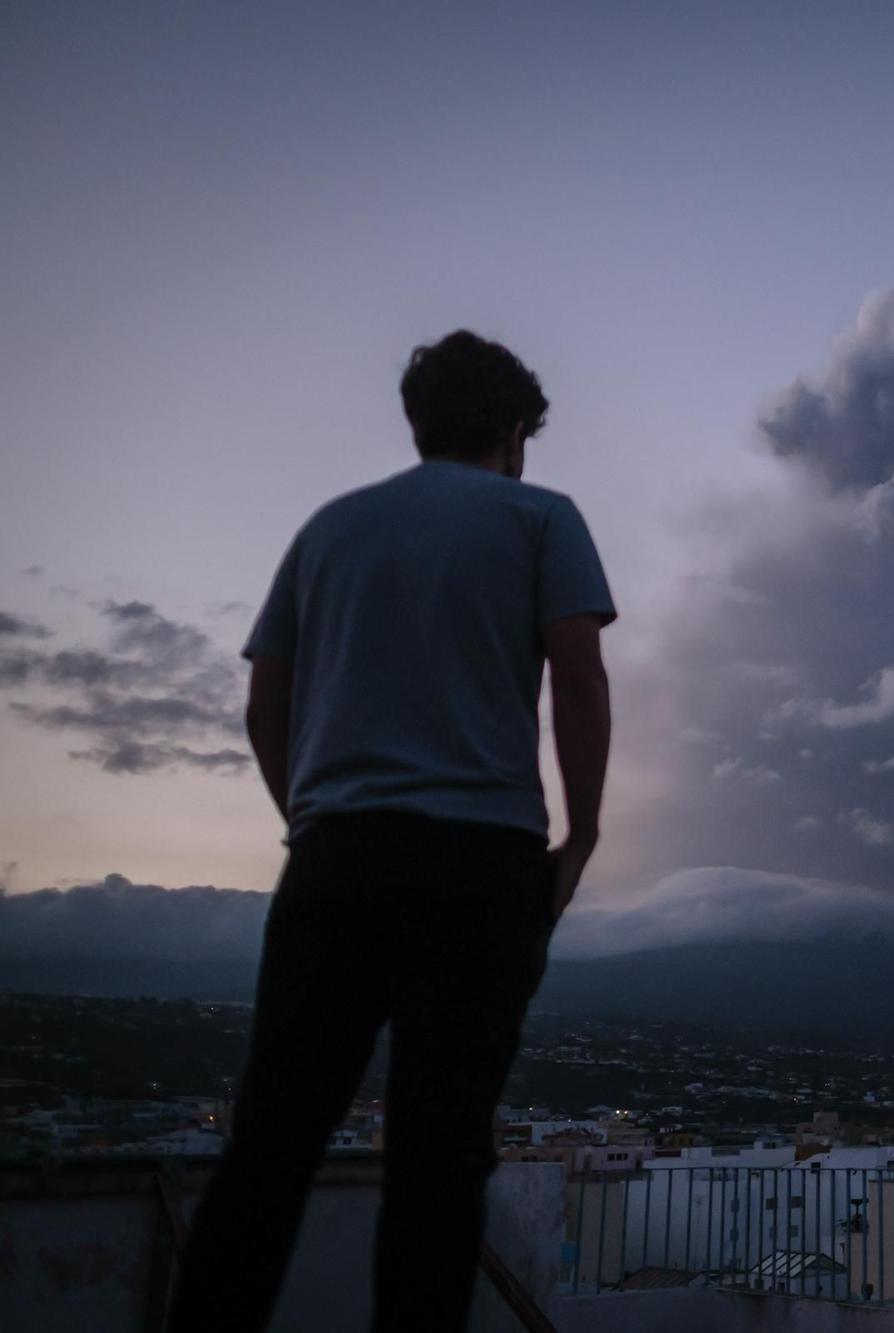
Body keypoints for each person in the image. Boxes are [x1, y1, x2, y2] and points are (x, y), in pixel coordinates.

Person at [169, 330, 615, 1332]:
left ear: (416, 424)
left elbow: (262, 706)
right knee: (441, 1151)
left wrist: (315, 820)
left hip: (336, 860)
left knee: (272, 1144)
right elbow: (579, 680)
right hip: (480, 860)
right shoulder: (541, 518)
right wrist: (579, 837)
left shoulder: (330, 529)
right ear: (513, 434)